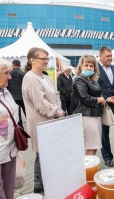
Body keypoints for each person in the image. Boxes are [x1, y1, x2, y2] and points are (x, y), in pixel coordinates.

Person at [22, 47, 65, 193]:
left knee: (48, 154)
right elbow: (41, 105)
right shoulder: (30, 78)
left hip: (51, 121)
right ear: (32, 60)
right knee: (42, 155)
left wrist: (58, 110)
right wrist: (58, 112)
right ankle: (39, 187)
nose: (46, 61)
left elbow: (56, 96)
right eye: (43, 59)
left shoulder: (45, 77)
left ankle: (47, 182)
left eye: (47, 59)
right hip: (40, 123)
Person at [0, 59, 19, 199]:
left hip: (10, 149)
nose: (10, 76)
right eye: (6, 73)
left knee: (9, 189)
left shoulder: (6, 91)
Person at [7, 60, 26, 128]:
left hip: (13, 97)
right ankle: (30, 125)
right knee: (26, 111)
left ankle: (20, 127)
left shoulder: (9, 74)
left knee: (17, 113)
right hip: (22, 96)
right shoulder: (22, 73)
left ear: (12, 65)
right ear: (20, 65)